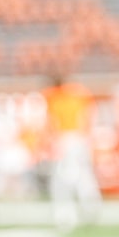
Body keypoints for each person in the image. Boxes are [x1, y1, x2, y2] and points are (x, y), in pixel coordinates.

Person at [44, 76, 98, 228]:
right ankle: (89, 206)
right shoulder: (78, 93)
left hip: (66, 139)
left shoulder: (55, 97)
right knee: (82, 176)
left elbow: (52, 122)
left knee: (63, 179)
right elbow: (89, 115)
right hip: (78, 138)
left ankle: (67, 214)